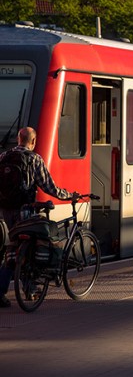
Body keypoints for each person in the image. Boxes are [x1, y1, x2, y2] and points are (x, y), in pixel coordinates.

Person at [0, 127, 77, 309]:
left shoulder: (3, 157)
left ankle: (12, 289)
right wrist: (68, 196)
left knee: (13, 249)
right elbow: (49, 187)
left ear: (18, 139)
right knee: (31, 248)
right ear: (33, 142)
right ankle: (29, 289)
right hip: (25, 211)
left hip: (6, 211)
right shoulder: (34, 159)